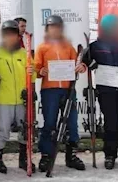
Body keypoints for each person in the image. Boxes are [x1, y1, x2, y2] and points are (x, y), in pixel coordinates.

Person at [82, 15, 118, 170]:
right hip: (106, 89)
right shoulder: (95, 46)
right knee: (110, 122)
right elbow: (84, 58)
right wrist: (90, 63)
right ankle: (110, 154)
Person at [34, 15, 87, 173]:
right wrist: (40, 71)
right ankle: (46, 155)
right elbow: (36, 67)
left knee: (71, 121)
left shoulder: (68, 47)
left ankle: (71, 155)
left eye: (57, 27)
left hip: (67, 89)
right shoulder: (42, 47)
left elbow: (78, 63)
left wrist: (81, 67)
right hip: (49, 90)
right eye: (52, 27)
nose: (55, 30)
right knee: (50, 122)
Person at [0, 20, 36, 173]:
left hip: (22, 99)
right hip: (4, 99)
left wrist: (32, 72)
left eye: (13, 34)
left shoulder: (24, 53)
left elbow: (33, 76)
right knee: (3, 130)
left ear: (18, 36)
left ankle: (24, 160)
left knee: (25, 129)